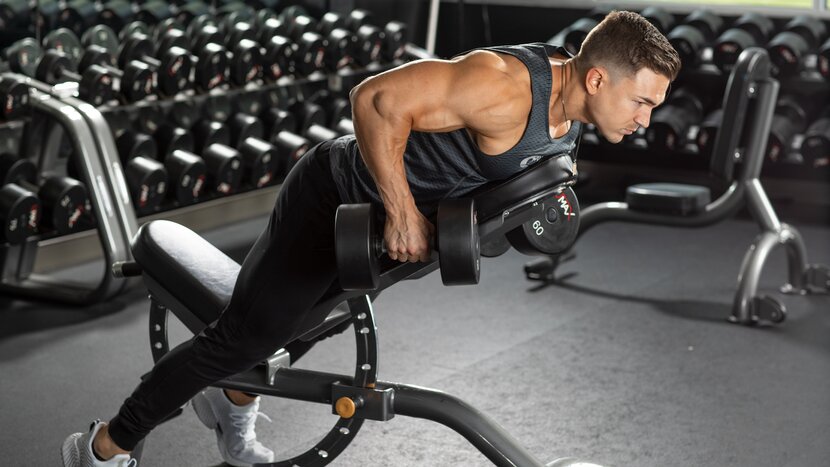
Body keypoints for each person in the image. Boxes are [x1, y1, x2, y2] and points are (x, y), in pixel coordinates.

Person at [61, 10, 680, 467]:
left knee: (308, 324)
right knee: (243, 336)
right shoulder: (504, 85)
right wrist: (403, 210)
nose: (646, 120)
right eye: (643, 101)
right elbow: (376, 99)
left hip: (382, 233)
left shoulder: (572, 114)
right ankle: (103, 446)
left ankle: (232, 401)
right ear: (598, 79)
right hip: (334, 200)